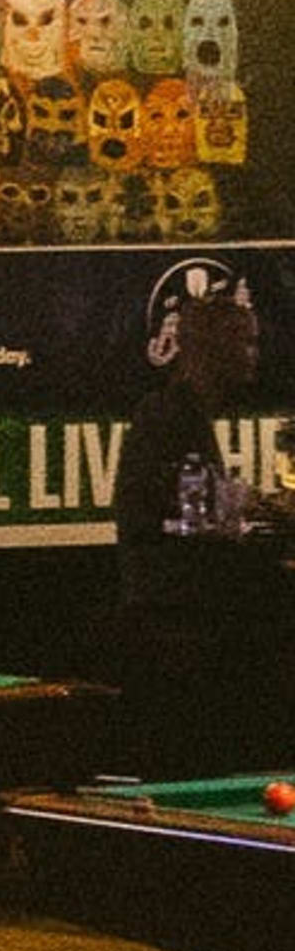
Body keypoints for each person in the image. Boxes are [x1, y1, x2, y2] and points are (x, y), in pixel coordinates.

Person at [111, 281, 282, 772]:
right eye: (245, 342)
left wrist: (252, 505)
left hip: (182, 624)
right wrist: (261, 510)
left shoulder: (182, 415)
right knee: (189, 761)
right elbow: (193, 521)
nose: (255, 353)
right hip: (175, 631)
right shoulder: (168, 415)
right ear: (211, 348)